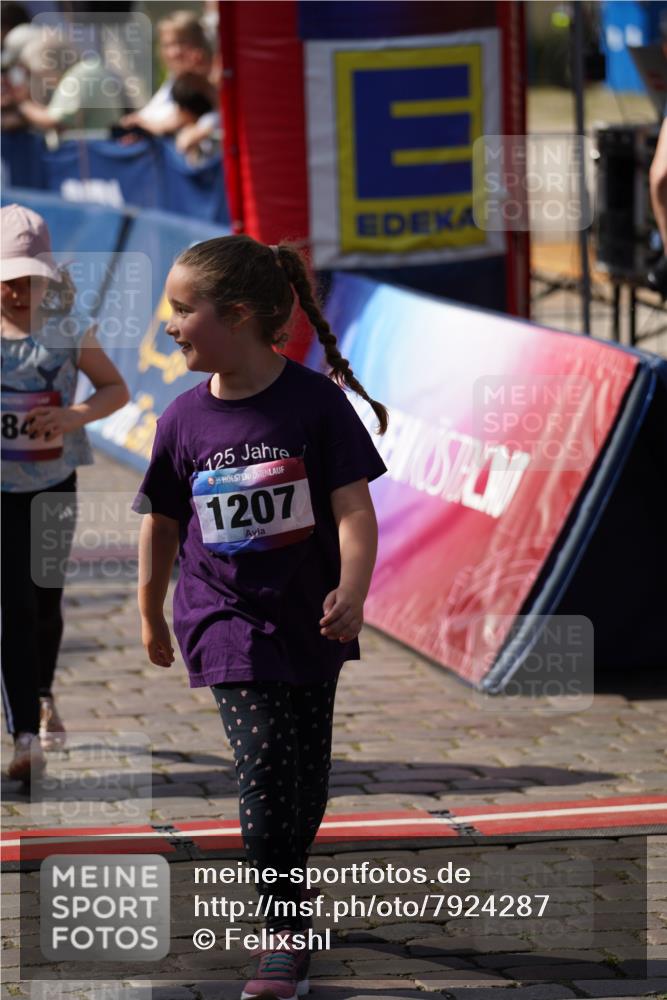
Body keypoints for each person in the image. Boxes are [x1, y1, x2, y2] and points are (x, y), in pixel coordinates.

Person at [134, 235, 388, 1000]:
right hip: (220, 616)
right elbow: (161, 523)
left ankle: (290, 882)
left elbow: (353, 507)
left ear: (238, 316)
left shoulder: (315, 404)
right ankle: (280, 930)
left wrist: (353, 587)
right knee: (265, 761)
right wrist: (152, 612)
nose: (170, 324)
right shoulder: (181, 419)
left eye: (184, 310)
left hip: (310, 618)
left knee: (303, 775)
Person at [1, 204, 129, 782]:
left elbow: (115, 390)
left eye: (28, 280)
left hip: (54, 484)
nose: (17, 292)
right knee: (15, 607)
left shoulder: (69, 328)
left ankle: (44, 691)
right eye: (6, 280)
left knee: (47, 603)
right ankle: (25, 735)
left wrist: (72, 417)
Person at [120, 10, 216, 137]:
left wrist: (150, 126)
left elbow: (186, 117)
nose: (174, 53)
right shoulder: (174, 81)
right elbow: (154, 113)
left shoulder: (214, 81)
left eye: (181, 43)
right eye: (167, 45)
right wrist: (136, 122)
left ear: (199, 44)